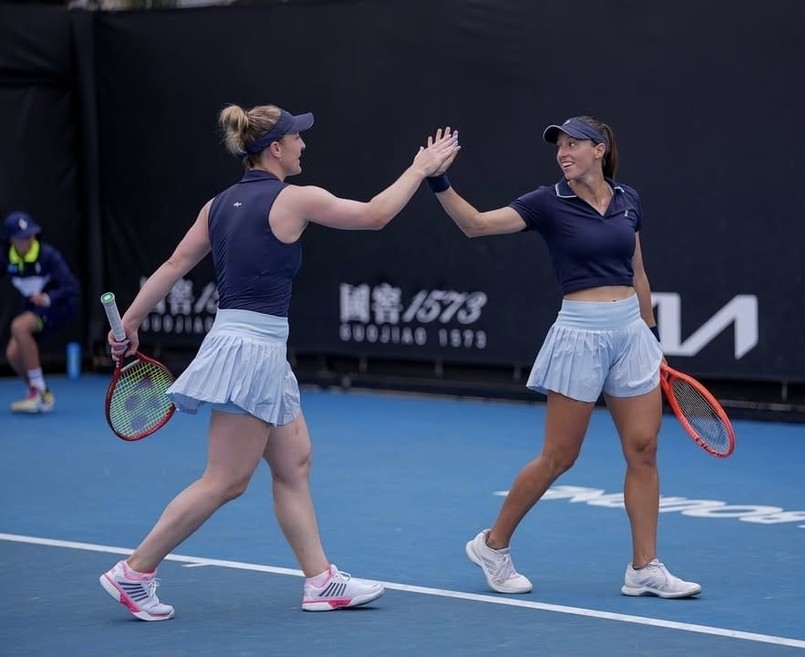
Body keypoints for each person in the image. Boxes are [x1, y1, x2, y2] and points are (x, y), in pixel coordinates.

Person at [98, 103, 460, 621]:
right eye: (297, 138)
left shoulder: (217, 204)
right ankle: (135, 573)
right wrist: (421, 169)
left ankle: (320, 582)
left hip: (256, 348)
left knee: (294, 462)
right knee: (225, 480)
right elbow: (376, 214)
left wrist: (130, 320)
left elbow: (176, 264)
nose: (303, 145)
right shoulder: (296, 199)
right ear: (275, 148)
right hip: (249, 350)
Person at [427, 116, 701, 599]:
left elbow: (638, 272)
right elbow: (476, 226)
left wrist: (651, 336)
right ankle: (493, 545)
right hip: (580, 335)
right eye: (560, 145)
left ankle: (644, 567)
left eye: (574, 143)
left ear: (600, 149)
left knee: (644, 449)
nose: (564, 152)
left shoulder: (628, 200)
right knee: (560, 456)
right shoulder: (546, 203)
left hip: (632, 335)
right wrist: (439, 180)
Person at [3, 211, 80, 413]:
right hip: (33, 308)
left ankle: (38, 392)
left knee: (19, 327)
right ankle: (40, 394)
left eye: (31, 235)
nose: (28, 240)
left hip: (58, 307)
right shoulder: (6, 258)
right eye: (22, 237)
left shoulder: (48, 255)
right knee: (12, 354)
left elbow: (71, 287)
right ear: (11, 239)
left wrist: (47, 298)